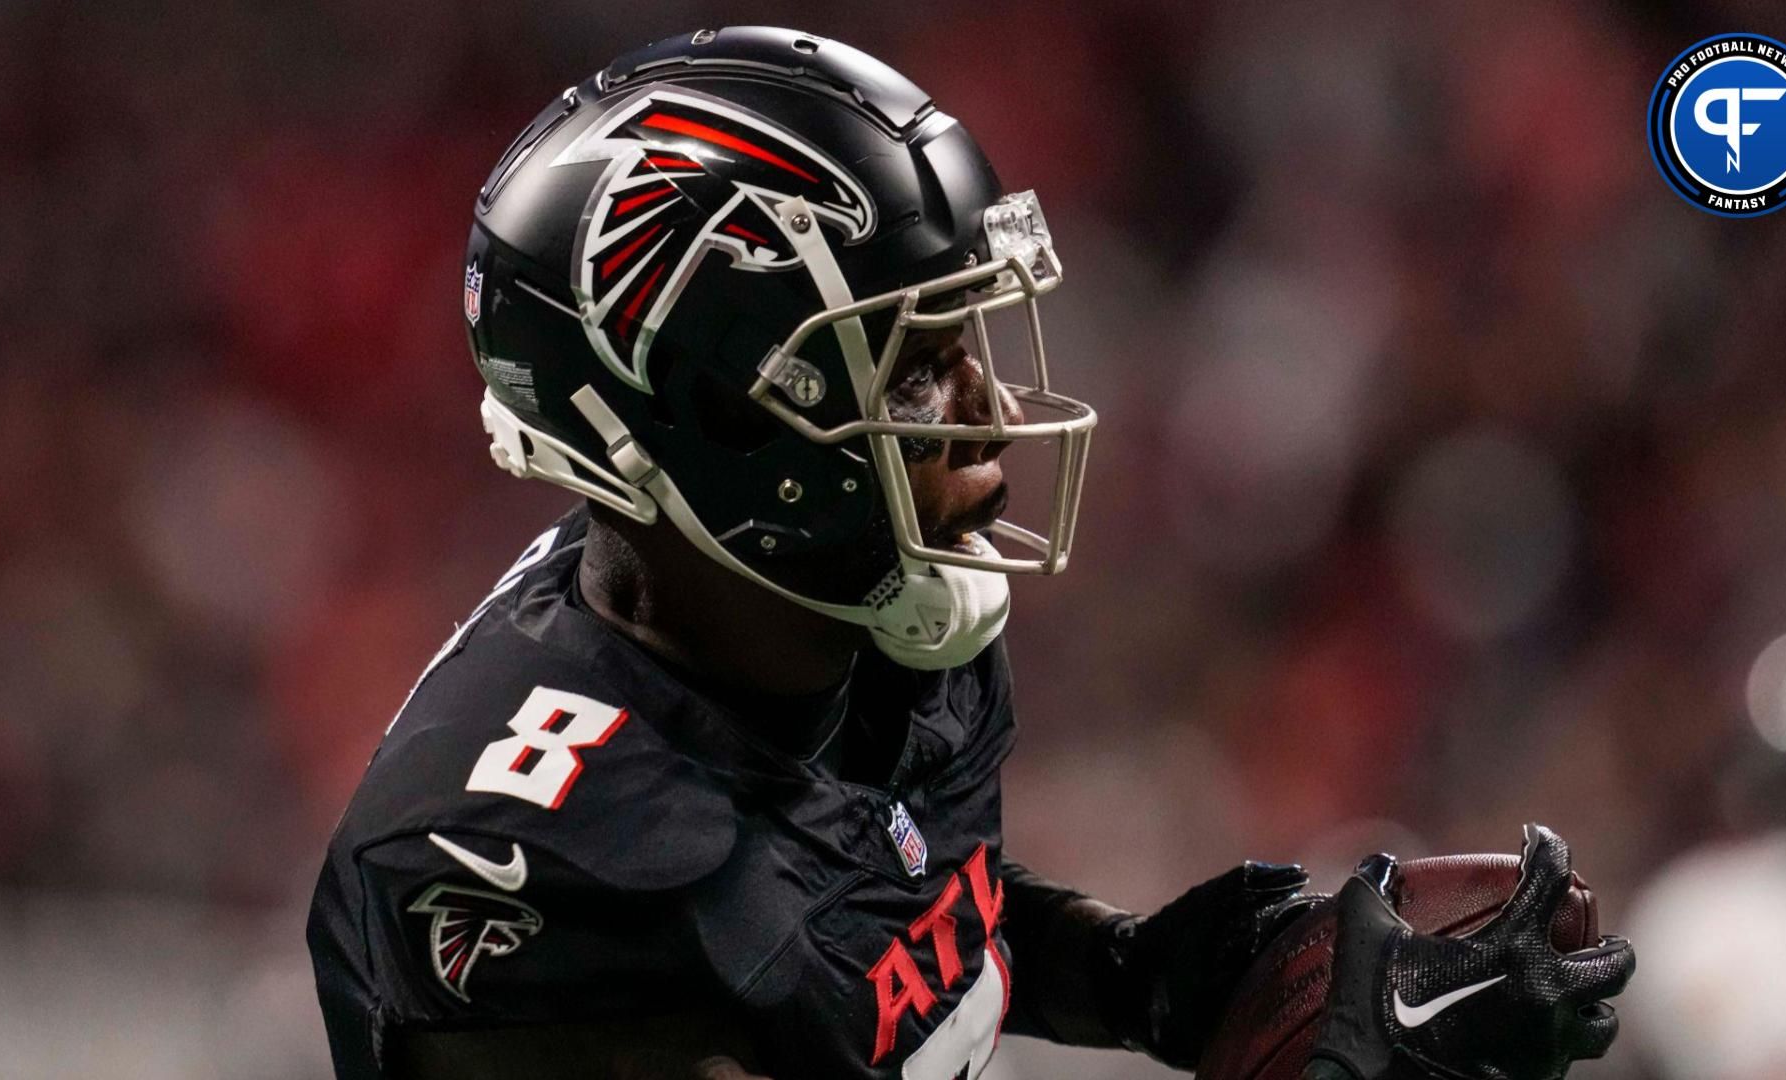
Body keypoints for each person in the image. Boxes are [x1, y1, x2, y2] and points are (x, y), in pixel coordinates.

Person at [306, 26, 1632, 1080]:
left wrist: (1142, 981)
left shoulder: (807, 602)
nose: (991, 417)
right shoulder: (535, 886)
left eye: (962, 343)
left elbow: (877, 924)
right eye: (917, 370)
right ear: (713, 417)